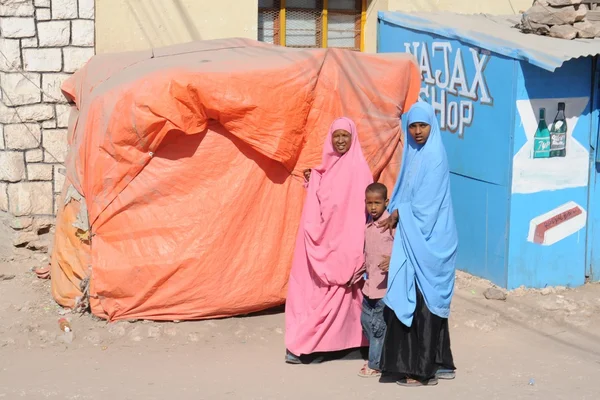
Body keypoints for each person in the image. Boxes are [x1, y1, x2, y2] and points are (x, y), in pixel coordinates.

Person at [377, 102, 458, 387]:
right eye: (413, 125)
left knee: (424, 303)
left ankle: (422, 371)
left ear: (432, 126)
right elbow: (404, 190)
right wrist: (397, 209)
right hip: (415, 235)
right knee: (425, 301)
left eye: (423, 125)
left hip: (432, 239)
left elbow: (427, 205)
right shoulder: (413, 154)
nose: (418, 131)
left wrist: (400, 213)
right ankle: (441, 362)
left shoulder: (434, 155)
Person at [285, 117, 373, 364]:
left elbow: (364, 210)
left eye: (345, 135)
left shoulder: (360, 170)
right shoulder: (328, 168)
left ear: (353, 138)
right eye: (337, 136)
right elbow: (325, 195)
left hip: (349, 243)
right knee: (323, 293)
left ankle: (323, 345)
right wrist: (312, 178)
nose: (341, 140)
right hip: (327, 242)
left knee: (345, 293)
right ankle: (319, 345)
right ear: (330, 139)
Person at [357, 183, 394, 378]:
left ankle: (375, 363)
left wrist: (394, 260)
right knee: (366, 321)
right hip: (369, 286)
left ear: (386, 202)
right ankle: (379, 355)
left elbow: (405, 247)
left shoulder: (391, 225)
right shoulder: (368, 226)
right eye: (369, 203)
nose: (373, 207)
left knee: (378, 327)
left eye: (377, 203)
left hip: (385, 288)